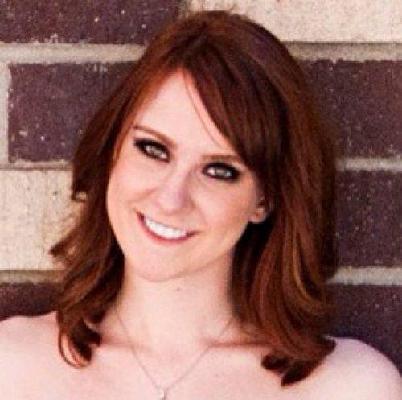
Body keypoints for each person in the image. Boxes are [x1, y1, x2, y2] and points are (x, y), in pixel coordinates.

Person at [0, 9, 400, 399]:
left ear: (265, 199)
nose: (171, 198)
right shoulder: (13, 367)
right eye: (153, 149)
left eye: (219, 171)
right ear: (113, 151)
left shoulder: (349, 387)